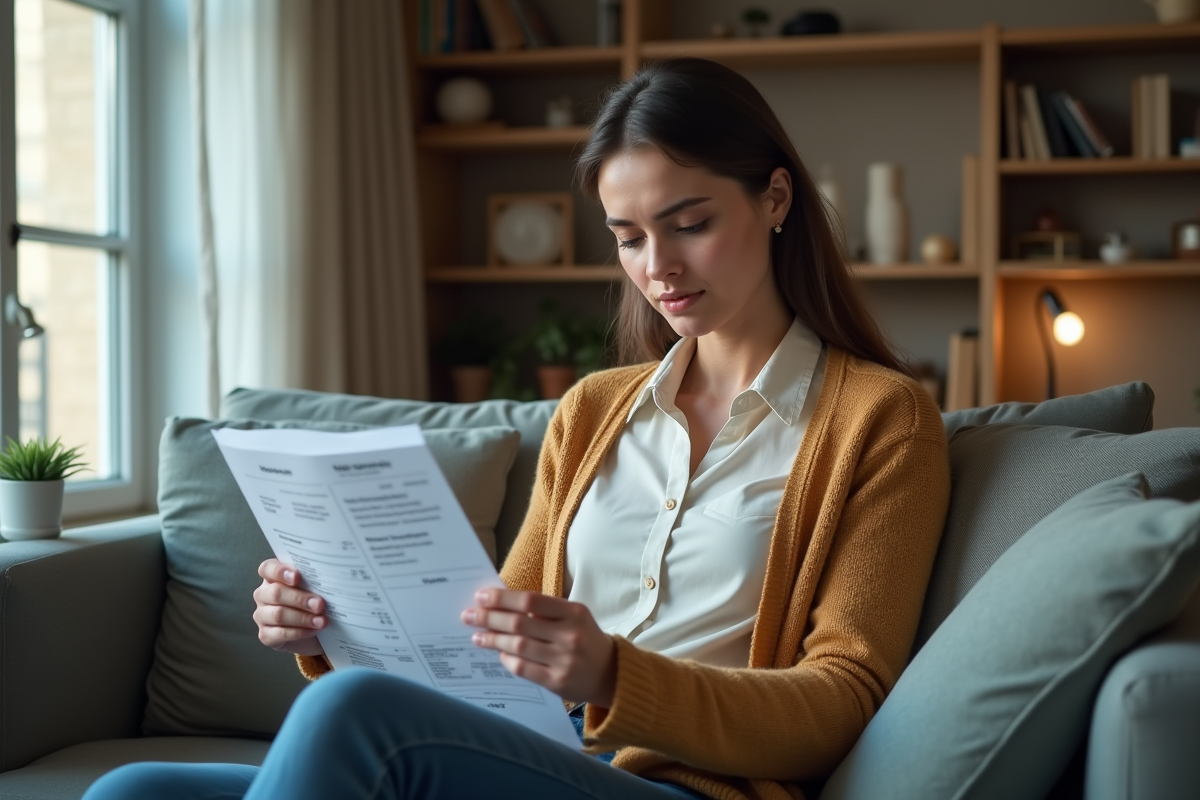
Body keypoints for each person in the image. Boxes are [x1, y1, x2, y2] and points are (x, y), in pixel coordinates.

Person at [84, 57, 950, 800]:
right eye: (629, 238)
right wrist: (331, 629)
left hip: (683, 786)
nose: (659, 267)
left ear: (775, 198)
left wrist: (613, 675)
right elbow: (483, 650)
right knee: (134, 790)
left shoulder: (881, 418)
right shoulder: (593, 410)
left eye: (691, 224)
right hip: (530, 758)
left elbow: (842, 702)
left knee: (352, 717)